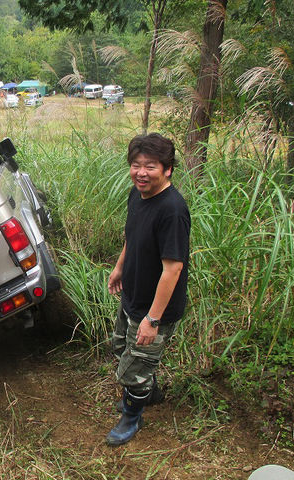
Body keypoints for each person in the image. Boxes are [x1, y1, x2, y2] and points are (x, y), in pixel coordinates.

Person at [105, 133, 191, 446]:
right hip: (134, 294)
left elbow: (173, 268)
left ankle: (132, 417)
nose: (141, 172)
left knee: (132, 370)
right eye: (136, 165)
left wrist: (153, 320)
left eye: (150, 166)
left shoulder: (172, 210)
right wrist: (119, 267)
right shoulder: (137, 194)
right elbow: (132, 235)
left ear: (167, 169)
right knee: (122, 350)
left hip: (156, 308)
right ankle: (147, 392)